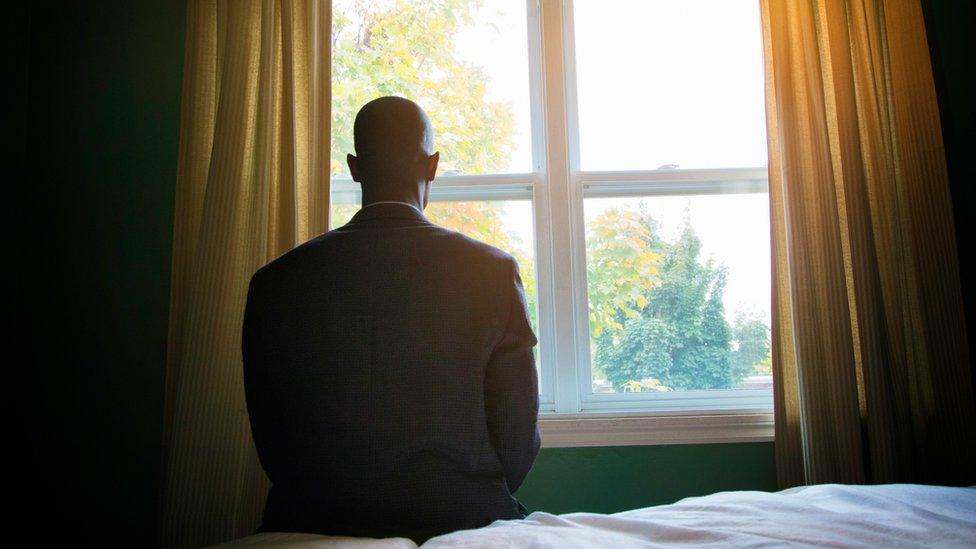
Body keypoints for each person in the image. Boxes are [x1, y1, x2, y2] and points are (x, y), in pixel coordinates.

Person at [241, 96, 540, 544]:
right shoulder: (491, 272)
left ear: (354, 167)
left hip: (315, 519)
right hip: (463, 515)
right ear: (434, 166)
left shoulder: (276, 282)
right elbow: (517, 435)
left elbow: (272, 438)